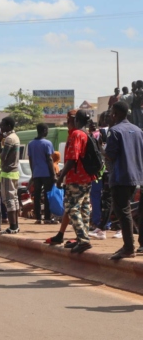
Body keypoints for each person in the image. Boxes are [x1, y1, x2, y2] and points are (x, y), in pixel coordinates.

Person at [105, 102, 143, 259]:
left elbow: (111, 155)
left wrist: (103, 151)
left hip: (120, 176)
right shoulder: (138, 130)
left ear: (116, 113)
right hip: (136, 177)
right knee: (128, 210)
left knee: (123, 212)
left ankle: (128, 247)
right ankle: (131, 245)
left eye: (113, 113)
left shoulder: (114, 131)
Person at [55, 110, 96, 254]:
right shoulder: (86, 134)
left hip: (76, 178)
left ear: (76, 120)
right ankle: (82, 239)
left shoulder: (76, 134)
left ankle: (83, 240)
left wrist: (61, 177)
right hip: (87, 178)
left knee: (72, 208)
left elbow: (73, 158)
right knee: (84, 209)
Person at [27, 124, 57, 225]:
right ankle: (47, 217)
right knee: (47, 195)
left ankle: (38, 218)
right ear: (44, 130)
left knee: (37, 195)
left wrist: (33, 172)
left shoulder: (30, 144)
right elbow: (49, 159)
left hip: (36, 173)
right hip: (46, 173)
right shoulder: (47, 143)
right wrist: (53, 174)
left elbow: (31, 160)